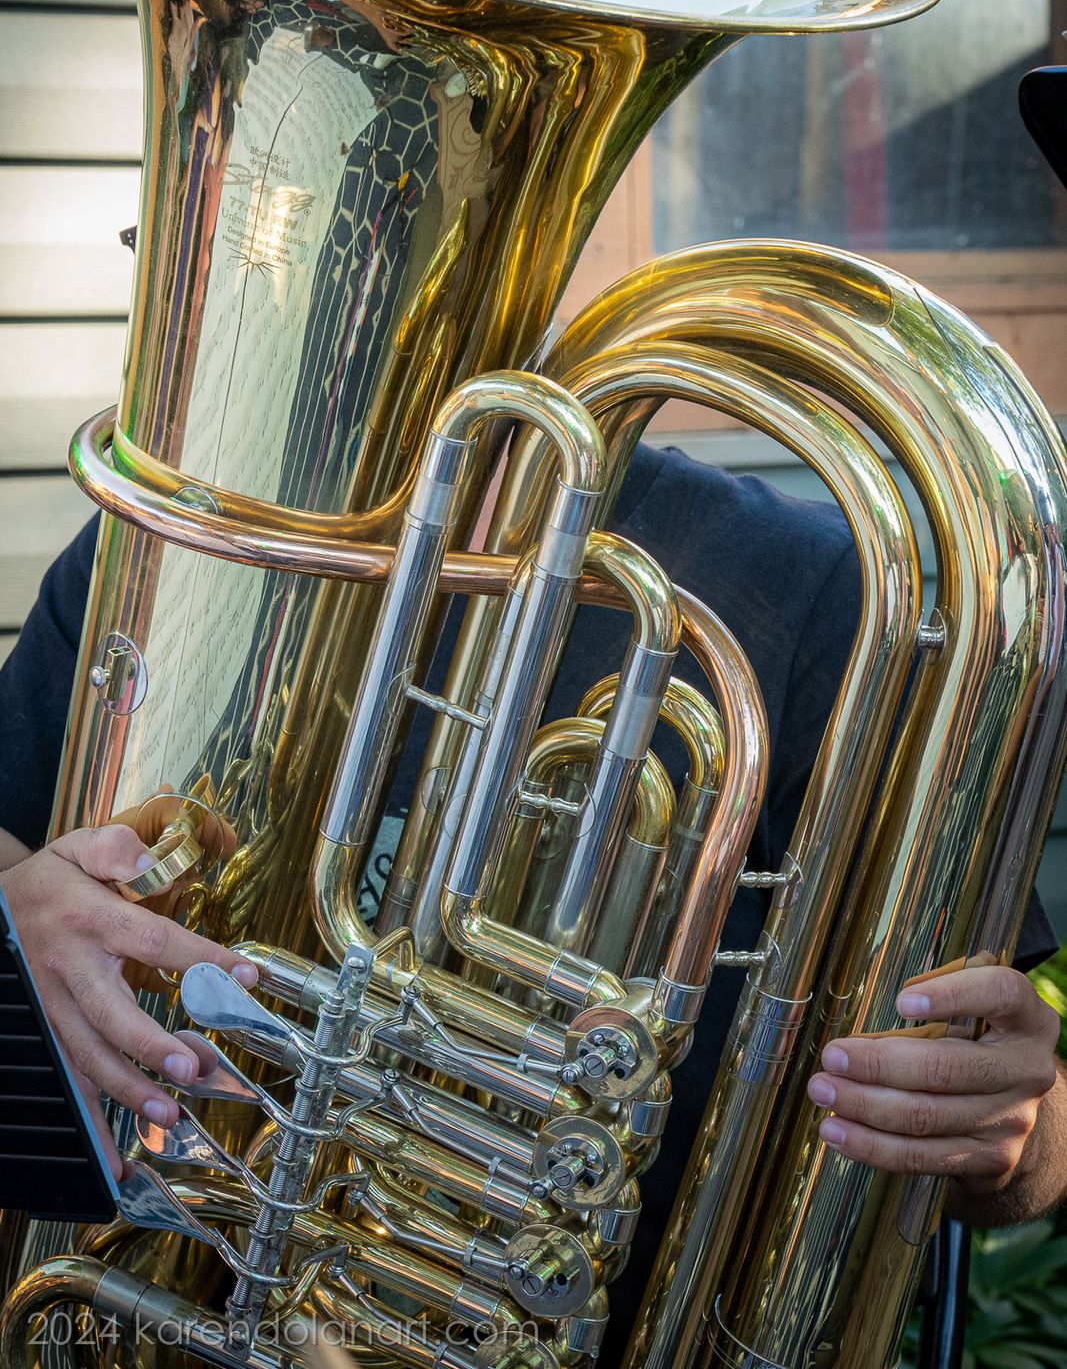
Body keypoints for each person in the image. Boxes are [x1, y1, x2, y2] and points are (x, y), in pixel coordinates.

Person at [1, 444, 1065, 1355]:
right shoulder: (171, 528)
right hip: (139, 1324)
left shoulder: (801, 585)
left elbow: (1019, 1134)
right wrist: (14, 916)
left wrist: (1005, 1132)